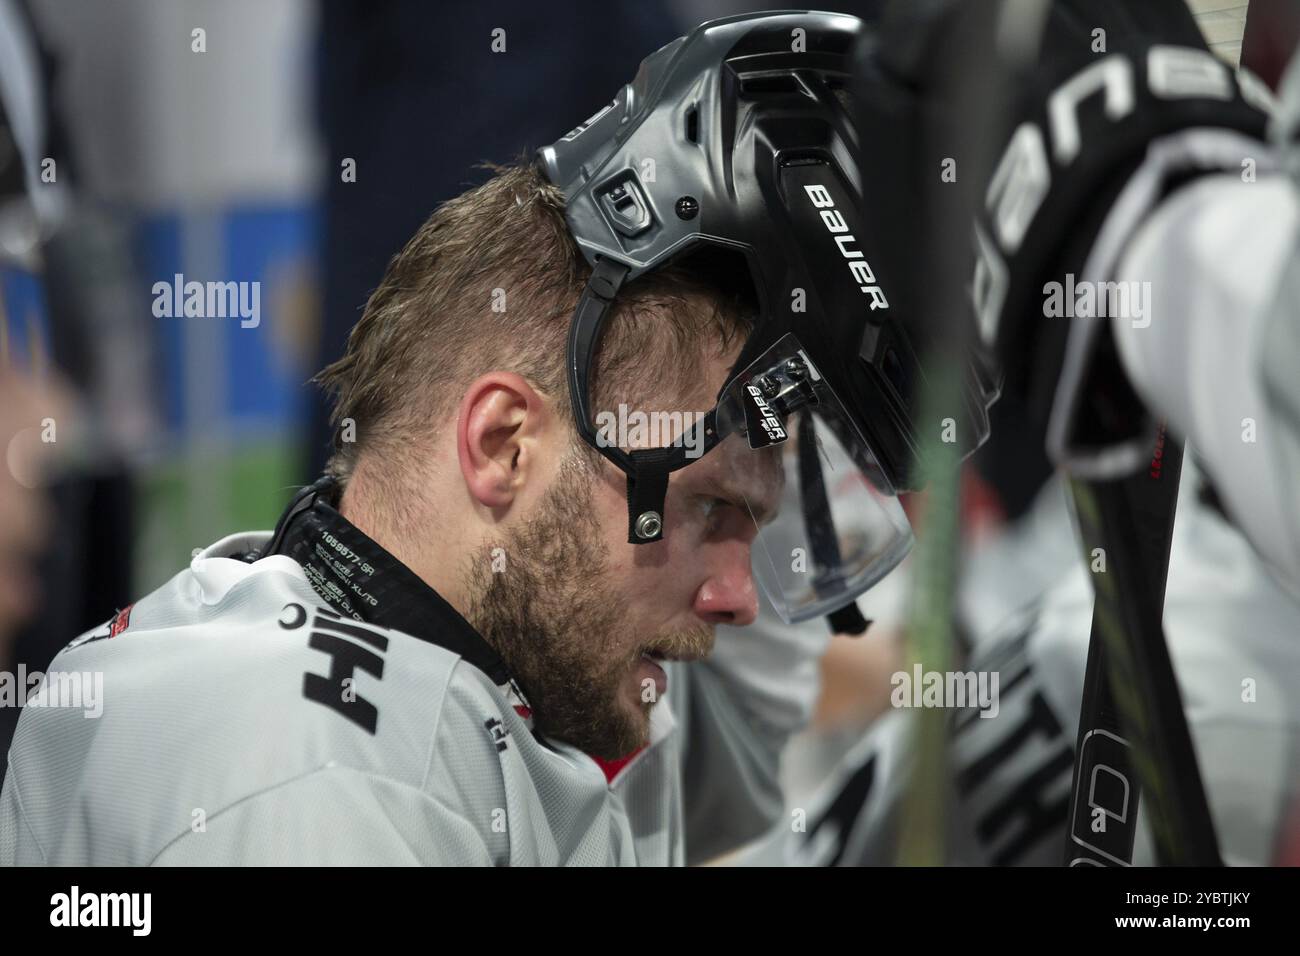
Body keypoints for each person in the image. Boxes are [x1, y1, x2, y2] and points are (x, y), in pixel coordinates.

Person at [0, 11, 991, 866]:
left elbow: (742, 727)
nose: (738, 596)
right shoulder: (311, 784)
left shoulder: (520, 665)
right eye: (713, 511)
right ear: (503, 444)